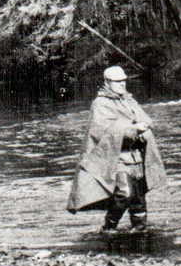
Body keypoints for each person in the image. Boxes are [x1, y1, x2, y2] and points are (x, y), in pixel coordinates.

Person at [66, 65, 168, 232]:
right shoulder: (100, 104)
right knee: (124, 193)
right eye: (117, 81)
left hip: (136, 157)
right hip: (116, 158)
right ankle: (109, 227)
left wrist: (144, 127)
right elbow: (103, 130)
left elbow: (146, 120)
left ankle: (140, 229)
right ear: (107, 82)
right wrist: (133, 129)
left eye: (123, 81)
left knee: (139, 198)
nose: (122, 84)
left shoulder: (129, 100)